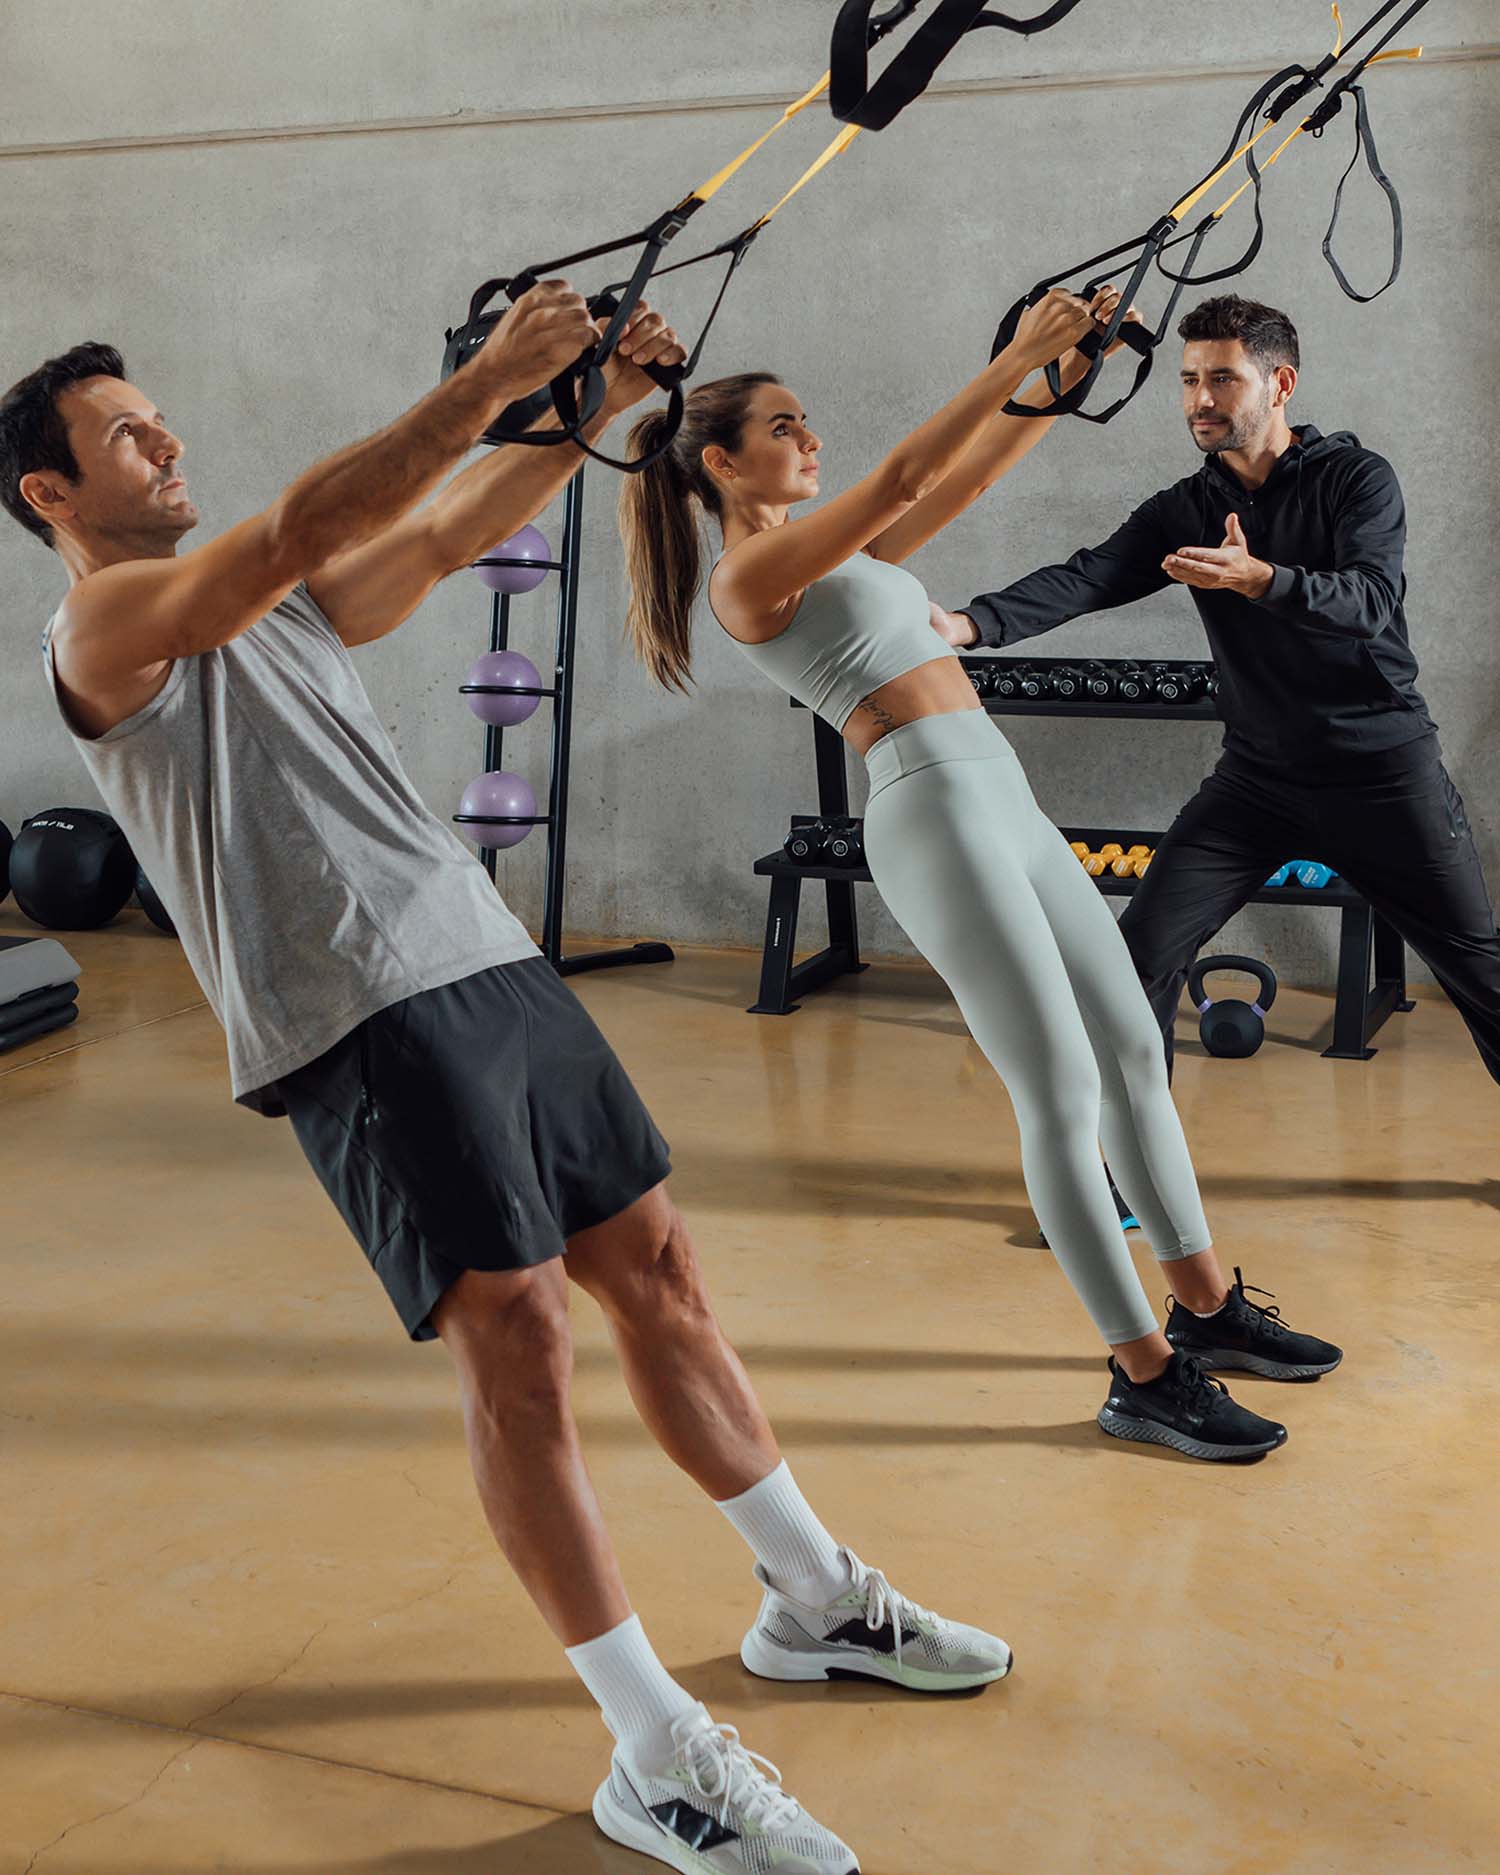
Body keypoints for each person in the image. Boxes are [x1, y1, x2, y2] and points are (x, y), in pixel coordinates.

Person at [2, 289, 1014, 1875]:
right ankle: (651, 1746)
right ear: (48, 496)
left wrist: (591, 402)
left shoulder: (273, 603)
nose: (164, 435)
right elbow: (291, 530)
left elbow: (441, 527)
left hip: (481, 958)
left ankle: (812, 1595)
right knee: (523, 1337)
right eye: (124, 432)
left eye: (157, 412)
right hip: (355, 1012)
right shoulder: (106, 630)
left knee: (662, 1270)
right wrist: (492, 373)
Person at [619, 288, 1342, 1470]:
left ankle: (1206, 1303)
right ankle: (1144, 1374)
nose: (810, 438)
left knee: (1127, 1046)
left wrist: (1061, 379)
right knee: (1059, 1088)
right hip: (933, 809)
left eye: (807, 422)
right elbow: (905, 476)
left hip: (1000, 795)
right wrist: (1019, 350)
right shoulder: (749, 580)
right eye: (785, 426)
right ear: (720, 462)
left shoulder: (837, 552)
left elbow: (964, 481)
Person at [931, 292, 1500, 1190]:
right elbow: (1090, 576)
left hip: (1381, 772)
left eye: (1222, 378)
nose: (1200, 396)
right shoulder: (1186, 506)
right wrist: (967, 624)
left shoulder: (1358, 480)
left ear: (1280, 383)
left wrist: (1263, 578)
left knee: (1482, 974)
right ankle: (1129, 1183)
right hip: (1257, 781)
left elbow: (1370, 603)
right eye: (1190, 379)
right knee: (1139, 961)